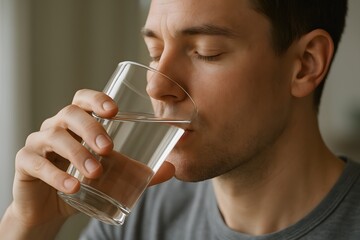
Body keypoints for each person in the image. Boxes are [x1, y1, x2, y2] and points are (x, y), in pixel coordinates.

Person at [1, 0, 358, 239]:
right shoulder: (138, 218)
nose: (156, 85)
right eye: (155, 52)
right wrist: (30, 225)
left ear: (305, 65)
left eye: (206, 53)